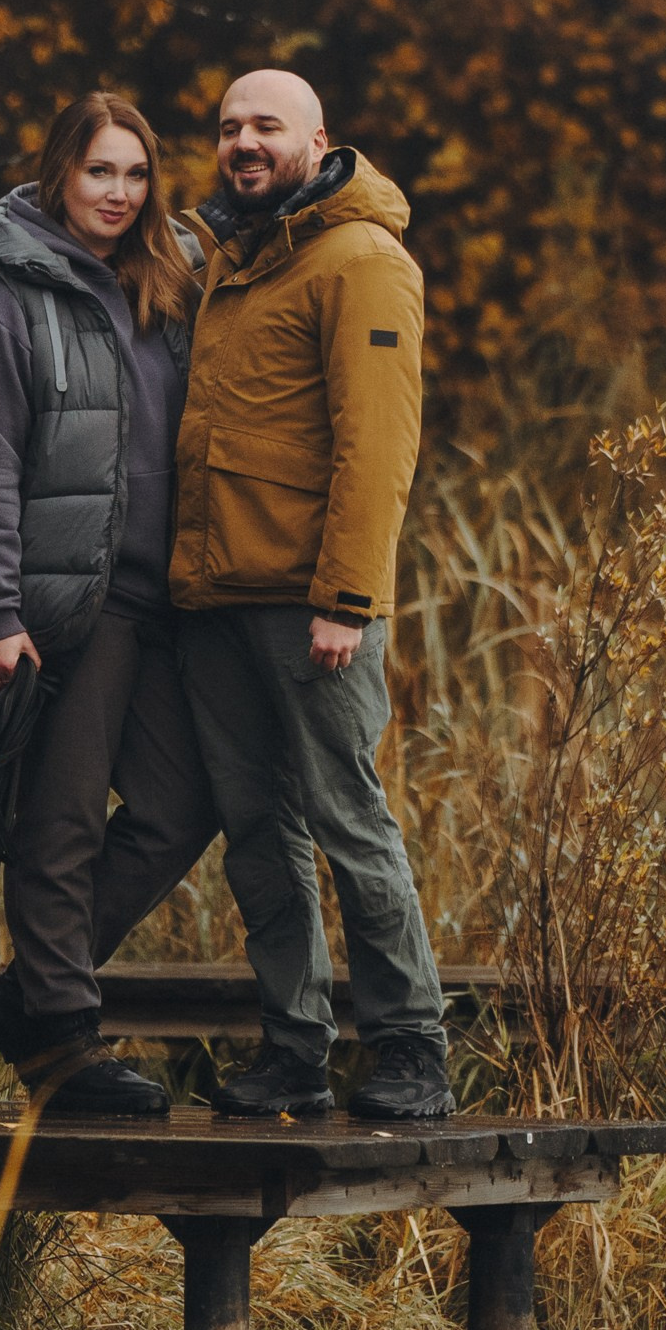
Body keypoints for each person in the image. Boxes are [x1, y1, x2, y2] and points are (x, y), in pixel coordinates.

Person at [169, 66, 453, 1123]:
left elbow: (377, 448)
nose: (243, 142)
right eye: (228, 126)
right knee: (257, 831)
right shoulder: (232, 258)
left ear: (318, 141)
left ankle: (411, 1047)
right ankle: (294, 1050)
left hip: (312, 606)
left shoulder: (362, 262)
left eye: (266, 126)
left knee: (348, 818)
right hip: (217, 600)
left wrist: (347, 597)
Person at [0, 92, 218, 1115]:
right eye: (100, 171)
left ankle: (25, 995)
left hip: (162, 603)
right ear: (60, 171)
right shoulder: (9, 304)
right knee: (58, 823)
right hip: (61, 608)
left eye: (135, 174)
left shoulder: (168, 288)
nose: (118, 193)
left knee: (183, 804)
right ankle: (59, 1043)